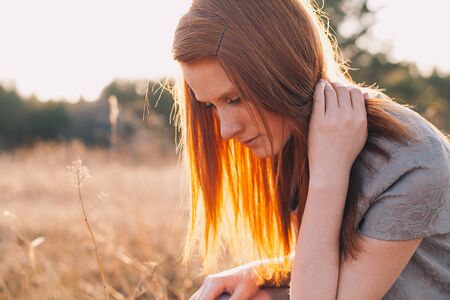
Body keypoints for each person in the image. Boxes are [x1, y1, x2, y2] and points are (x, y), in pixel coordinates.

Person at [170, 0, 450, 299]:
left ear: (281, 72)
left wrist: (328, 175)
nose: (226, 130)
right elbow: (350, 259)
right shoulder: (290, 138)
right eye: (211, 106)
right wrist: (261, 271)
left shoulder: (410, 160)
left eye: (235, 99)